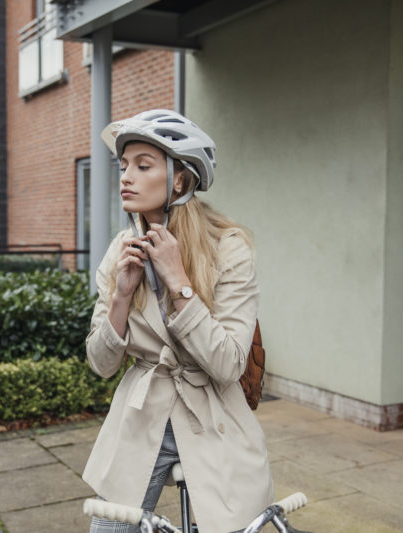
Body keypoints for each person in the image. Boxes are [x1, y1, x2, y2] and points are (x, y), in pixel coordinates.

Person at [83, 110, 274, 533]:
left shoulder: (230, 247)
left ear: (180, 181)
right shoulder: (121, 251)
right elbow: (101, 364)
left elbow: (228, 364)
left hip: (213, 417)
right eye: (124, 165)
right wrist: (121, 295)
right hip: (139, 417)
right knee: (110, 530)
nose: (126, 177)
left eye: (143, 165)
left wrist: (180, 283)